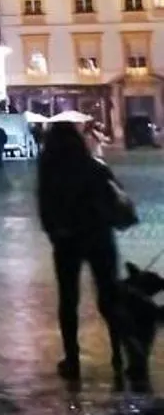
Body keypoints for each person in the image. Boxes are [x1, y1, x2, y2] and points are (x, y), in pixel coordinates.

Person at [39, 122, 145, 389]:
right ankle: (126, 352)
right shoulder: (95, 167)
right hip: (99, 237)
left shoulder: (50, 171)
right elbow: (116, 196)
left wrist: (56, 232)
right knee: (110, 298)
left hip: (67, 241)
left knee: (69, 300)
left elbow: (46, 208)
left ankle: (72, 360)